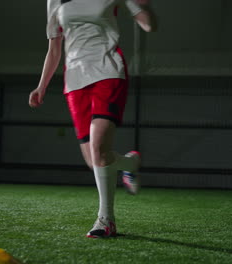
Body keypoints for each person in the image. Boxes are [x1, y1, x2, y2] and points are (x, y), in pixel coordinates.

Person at [29, 0, 156, 238]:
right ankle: (130, 165)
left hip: (108, 70)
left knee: (99, 149)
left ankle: (106, 220)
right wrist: (41, 87)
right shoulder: (54, 1)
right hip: (75, 81)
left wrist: (144, 7)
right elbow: (55, 47)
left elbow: (148, 25)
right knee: (94, 160)